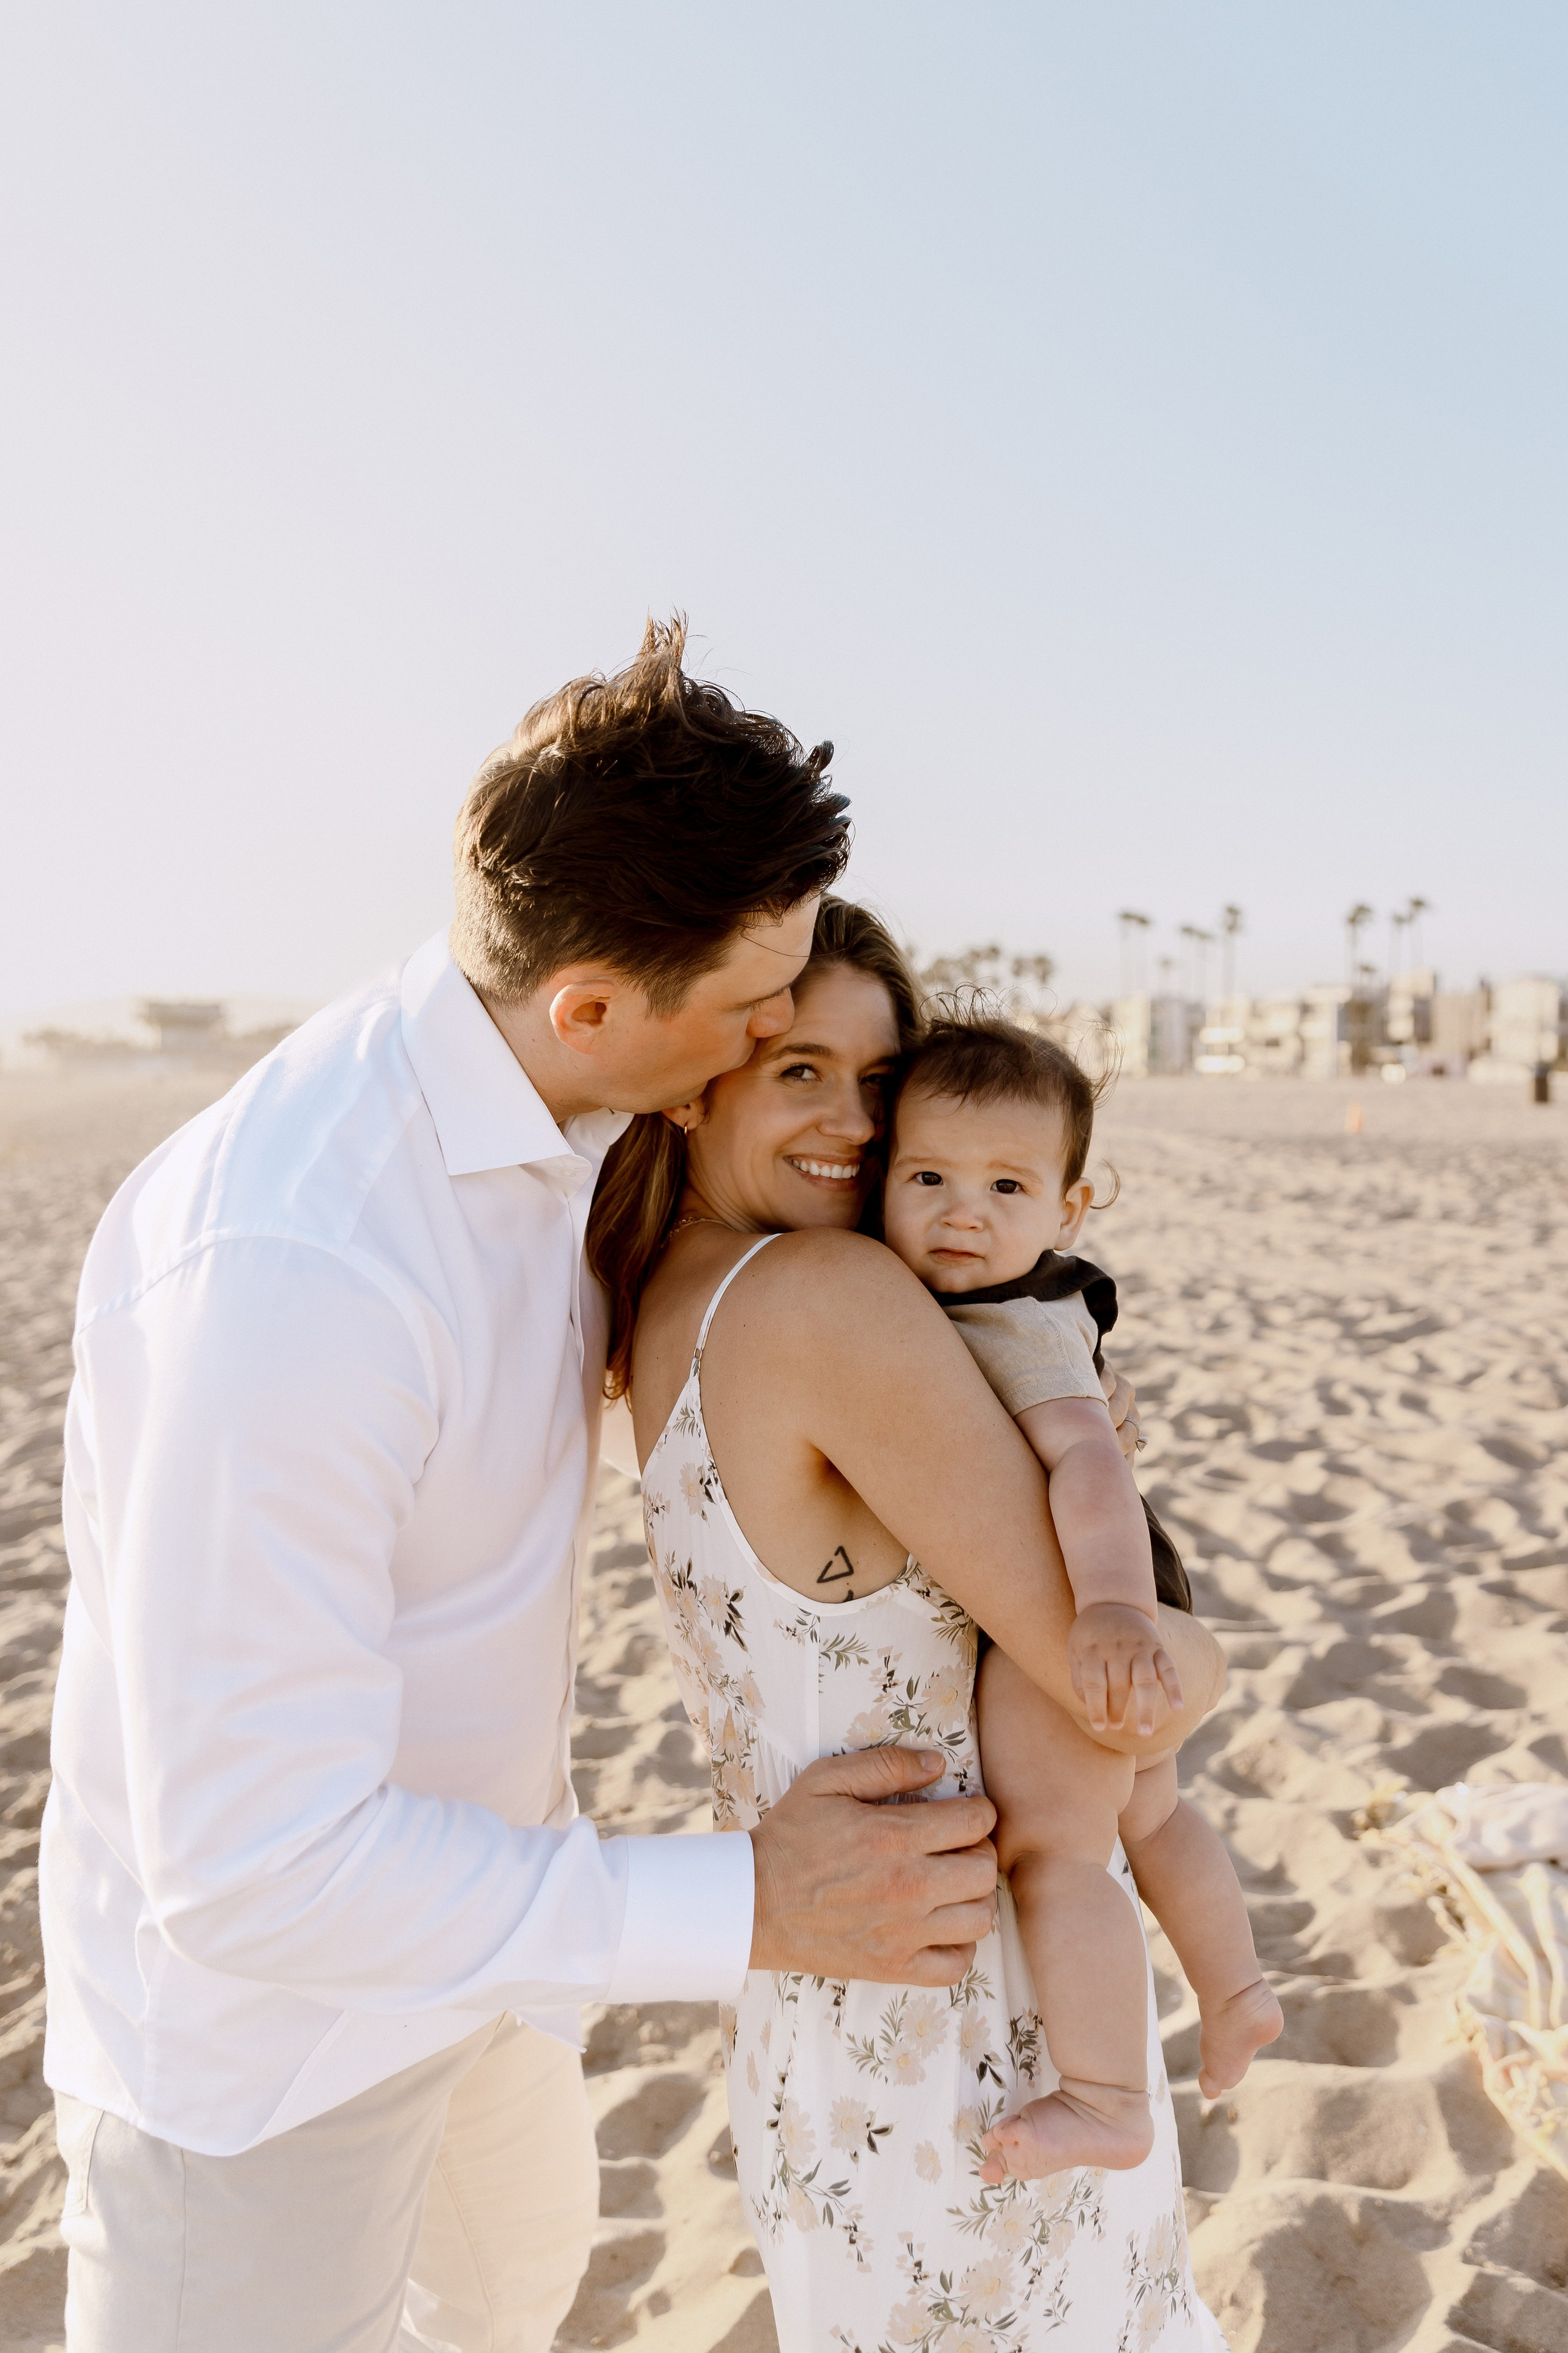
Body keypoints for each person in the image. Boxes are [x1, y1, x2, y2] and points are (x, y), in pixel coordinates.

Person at [40, 625, 1004, 2353]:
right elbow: (250, 1865)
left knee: (510, 2305)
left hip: (497, 1969)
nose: (782, 1023)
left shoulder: (581, 1113)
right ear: (588, 1006)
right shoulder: (299, 1272)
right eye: (753, 1002)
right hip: (267, 2061)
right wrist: (753, 1901)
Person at [592, 897, 1230, 2352]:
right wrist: (1200, 1648)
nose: (857, 1125)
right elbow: (1114, 1689)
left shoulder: (656, 1307)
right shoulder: (829, 1293)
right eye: (798, 1068)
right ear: (698, 1079)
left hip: (814, 2028)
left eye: (882, 1082)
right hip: (980, 2027)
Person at [881, 1011, 1283, 2183]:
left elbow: (1094, 1462)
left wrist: (1108, 1612)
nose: (963, 1210)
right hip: (1119, 1592)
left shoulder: (1013, 1324)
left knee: (1061, 1850)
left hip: (1081, 1598)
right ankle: (1237, 1986)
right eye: (928, 1177)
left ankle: (1108, 2095)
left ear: (1069, 1211)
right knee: (1151, 1816)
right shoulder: (1005, 1297)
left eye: (1006, 1185)